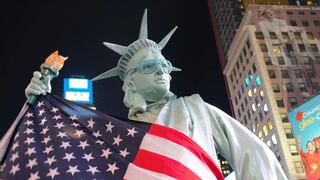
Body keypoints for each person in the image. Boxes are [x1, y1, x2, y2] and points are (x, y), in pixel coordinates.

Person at [25, 9, 288, 179]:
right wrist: (39, 104)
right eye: (149, 67)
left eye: (163, 66)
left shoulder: (196, 109)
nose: (161, 72)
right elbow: (68, 156)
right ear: (130, 82)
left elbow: (253, 154)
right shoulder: (116, 133)